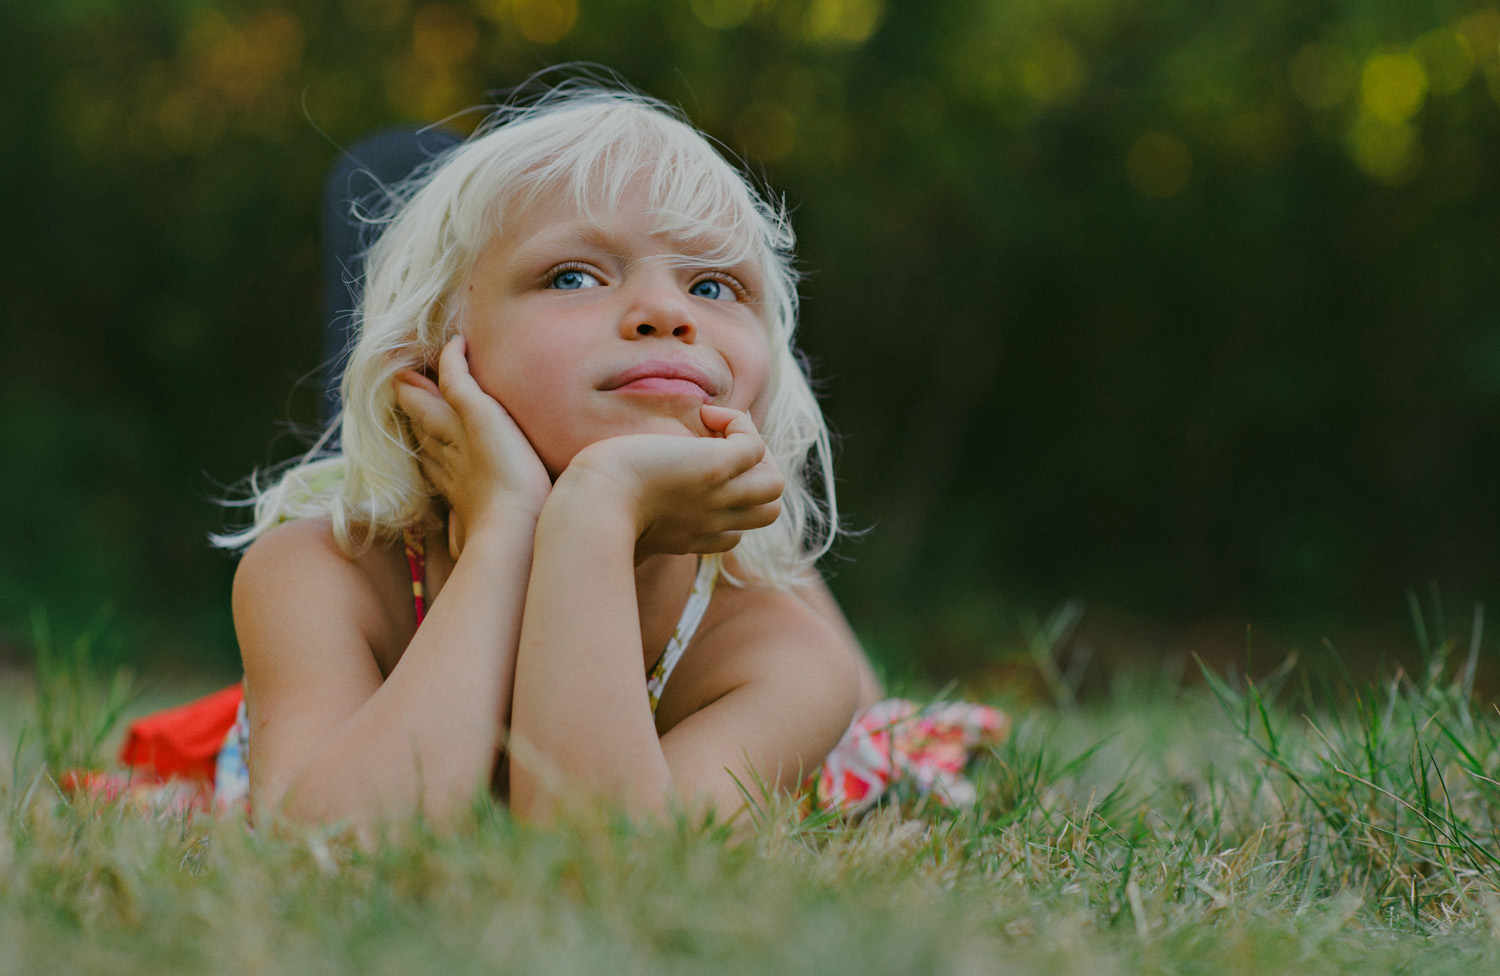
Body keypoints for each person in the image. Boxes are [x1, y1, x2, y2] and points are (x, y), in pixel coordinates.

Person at [103, 85, 1007, 827]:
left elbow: (599, 858)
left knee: (874, 720)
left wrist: (596, 508)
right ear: (436, 360)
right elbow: (326, 846)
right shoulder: (318, 571)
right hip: (424, 510)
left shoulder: (784, 660)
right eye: (573, 275)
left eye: (712, 284)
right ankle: (411, 326)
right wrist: (505, 526)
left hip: (740, 595)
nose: (666, 309)